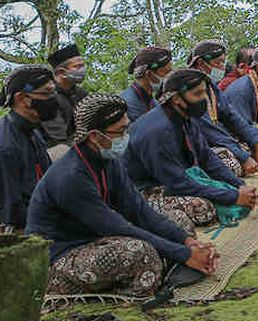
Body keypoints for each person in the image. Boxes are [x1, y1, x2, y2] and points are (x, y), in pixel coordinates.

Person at [26, 93, 218, 297]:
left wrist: (187, 243)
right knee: (139, 253)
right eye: (120, 131)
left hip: (100, 240)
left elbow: (139, 210)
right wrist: (184, 254)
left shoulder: (109, 161)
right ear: (95, 136)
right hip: (61, 258)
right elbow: (115, 226)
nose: (126, 135)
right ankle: (136, 284)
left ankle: (169, 264)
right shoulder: (70, 177)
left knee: (179, 221)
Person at [125, 69, 258, 227]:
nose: (204, 99)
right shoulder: (157, 131)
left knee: (230, 175)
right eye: (197, 94)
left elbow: (206, 157)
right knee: (202, 208)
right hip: (147, 190)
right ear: (176, 99)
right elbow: (177, 183)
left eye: (204, 93)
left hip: (178, 177)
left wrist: (239, 185)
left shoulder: (185, 117)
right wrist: (232, 196)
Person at [187, 40, 258, 175]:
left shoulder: (210, 85)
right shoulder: (189, 89)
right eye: (218, 63)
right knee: (230, 164)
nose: (222, 67)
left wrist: (256, 142)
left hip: (222, 139)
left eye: (223, 62)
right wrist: (243, 156)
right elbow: (208, 131)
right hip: (199, 145)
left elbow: (232, 116)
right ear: (200, 63)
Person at [0, 66, 56, 233]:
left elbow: (49, 184)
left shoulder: (33, 133)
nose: (53, 99)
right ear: (23, 98)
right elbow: (12, 213)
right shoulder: (6, 146)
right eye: (47, 94)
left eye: (54, 93)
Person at [41, 42, 89, 147]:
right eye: (78, 66)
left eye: (83, 65)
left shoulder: (81, 94)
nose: (83, 70)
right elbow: (57, 140)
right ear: (61, 72)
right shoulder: (47, 99)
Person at [121, 46, 173, 124]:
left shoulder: (152, 101)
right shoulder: (127, 105)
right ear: (148, 74)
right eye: (166, 72)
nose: (170, 77)